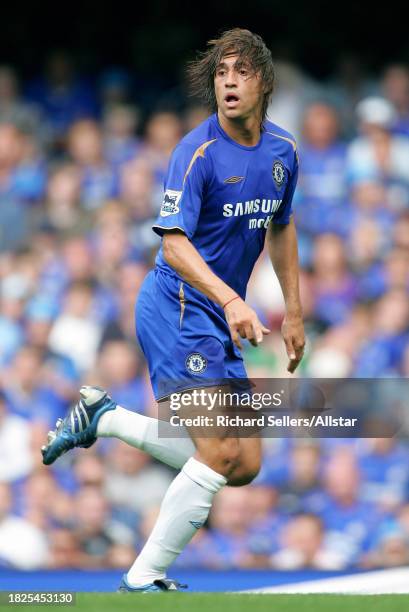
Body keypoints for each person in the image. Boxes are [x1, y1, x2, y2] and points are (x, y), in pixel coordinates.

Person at [41, 28, 305, 592]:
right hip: (178, 306)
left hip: (218, 314)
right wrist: (233, 298)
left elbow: (281, 228)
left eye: (241, 72)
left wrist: (296, 313)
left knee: (245, 465)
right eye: (220, 74)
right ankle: (144, 577)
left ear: (264, 82)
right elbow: (172, 244)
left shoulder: (284, 151)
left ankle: (105, 418)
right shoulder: (196, 151)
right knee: (217, 454)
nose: (229, 82)